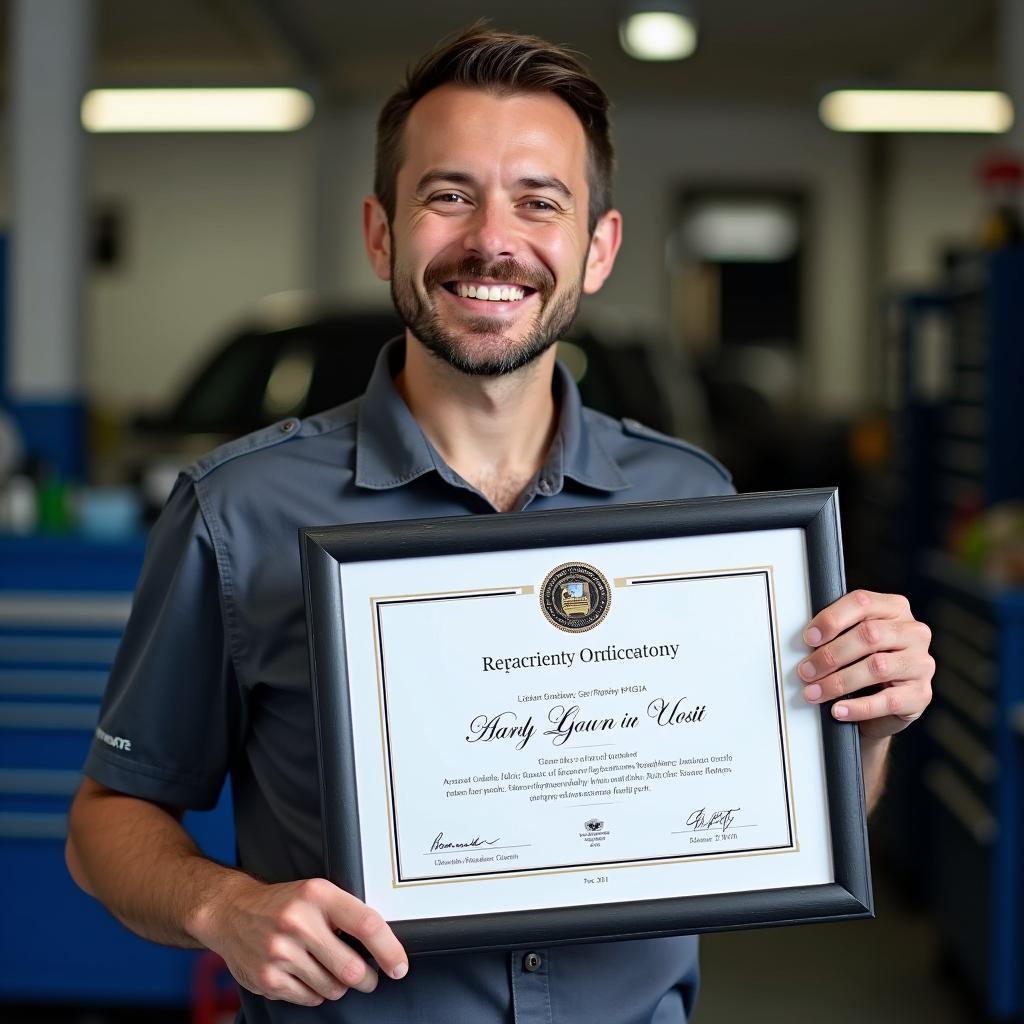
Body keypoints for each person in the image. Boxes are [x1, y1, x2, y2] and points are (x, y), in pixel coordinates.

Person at [66, 24, 934, 1024]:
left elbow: (791, 821)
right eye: (447, 194)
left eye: (538, 201)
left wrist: (866, 731)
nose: (492, 238)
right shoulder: (239, 511)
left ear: (596, 249)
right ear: (381, 232)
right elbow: (107, 821)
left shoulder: (696, 505)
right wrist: (224, 903)